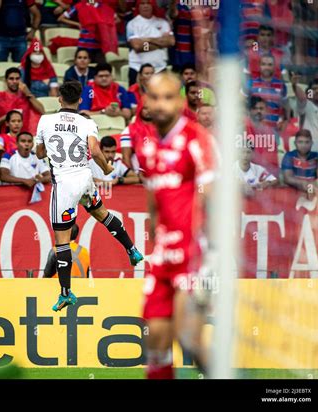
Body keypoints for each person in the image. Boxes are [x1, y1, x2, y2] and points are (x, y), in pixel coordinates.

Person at [35, 80, 144, 311]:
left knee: (62, 241)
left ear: (59, 99)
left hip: (64, 184)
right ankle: (131, 249)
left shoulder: (46, 121)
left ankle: (65, 293)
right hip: (84, 180)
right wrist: (105, 169)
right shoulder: (87, 122)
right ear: (80, 100)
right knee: (102, 214)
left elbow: (40, 151)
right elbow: (95, 151)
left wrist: (47, 149)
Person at [142, 72, 216, 379]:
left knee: (189, 338)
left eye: (169, 97)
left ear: (182, 101)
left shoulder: (197, 140)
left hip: (192, 256)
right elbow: (152, 203)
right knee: (156, 344)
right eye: (155, 97)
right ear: (145, 100)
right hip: (162, 258)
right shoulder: (147, 147)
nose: (161, 104)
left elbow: (214, 199)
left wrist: (211, 256)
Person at [126, 0, 174, 86]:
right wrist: (160, 44)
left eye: (148, 3)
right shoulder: (132, 24)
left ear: (153, 6)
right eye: (142, 3)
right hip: (138, 68)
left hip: (160, 68)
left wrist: (149, 40)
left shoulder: (163, 23)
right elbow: (137, 47)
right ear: (138, 6)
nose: (145, 6)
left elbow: (171, 42)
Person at [58, 0, 117, 64]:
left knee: (102, 68)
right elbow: (61, 18)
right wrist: (78, 24)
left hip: (98, 46)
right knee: (79, 68)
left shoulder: (103, 7)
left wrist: (104, 26)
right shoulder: (79, 6)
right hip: (83, 45)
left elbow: (115, 19)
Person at [0, 67, 45, 134]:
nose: (14, 81)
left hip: (25, 137)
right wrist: (8, 116)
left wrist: (28, 94)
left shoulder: (26, 96)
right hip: (6, 137)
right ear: (6, 80)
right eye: (11, 79)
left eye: (17, 79)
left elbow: (42, 111)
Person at [244, 54, 288, 130]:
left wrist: (284, 123)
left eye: (269, 64)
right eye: (263, 64)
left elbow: (286, 108)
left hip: (273, 131)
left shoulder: (281, 85)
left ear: (274, 67)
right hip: (254, 131)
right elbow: (242, 104)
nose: (266, 67)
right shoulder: (250, 83)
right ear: (259, 66)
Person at [291, 75, 318, 157]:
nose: (317, 91)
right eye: (314, 89)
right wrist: (294, 86)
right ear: (310, 92)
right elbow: (301, 97)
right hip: (309, 153)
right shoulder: (306, 105)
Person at [282, 129, 318, 198]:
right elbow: (288, 178)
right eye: (300, 142)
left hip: (313, 189)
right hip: (293, 191)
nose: (303, 145)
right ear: (295, 143)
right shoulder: (289, 156)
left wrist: (310, 188)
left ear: (311, 143)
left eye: (307, 142)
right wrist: (303, 183)